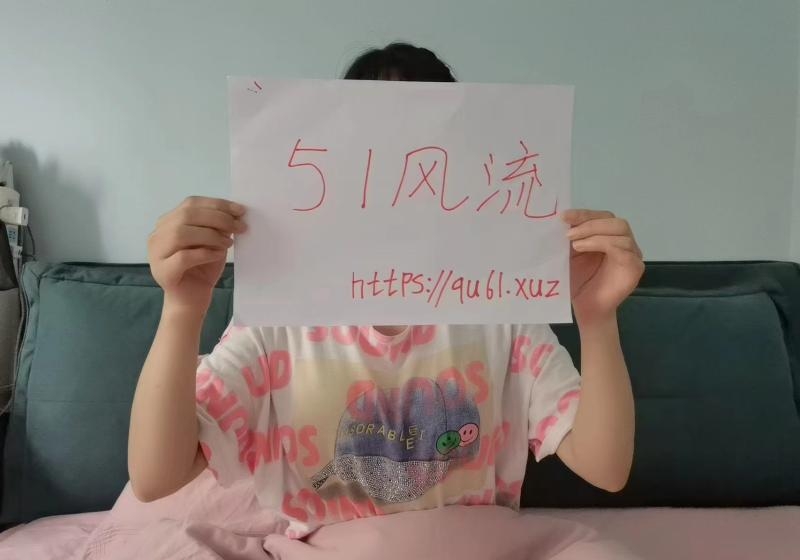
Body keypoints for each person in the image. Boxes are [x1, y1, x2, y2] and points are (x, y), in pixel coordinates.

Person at [128, 43, 642, 539]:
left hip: (476, 545)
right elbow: (155, 477)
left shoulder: (500, 307)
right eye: (374, 138)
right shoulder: (280, 317)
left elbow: (606, 467)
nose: (401, 167)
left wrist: (597, 318)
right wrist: (182, 309)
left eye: (424, 137)